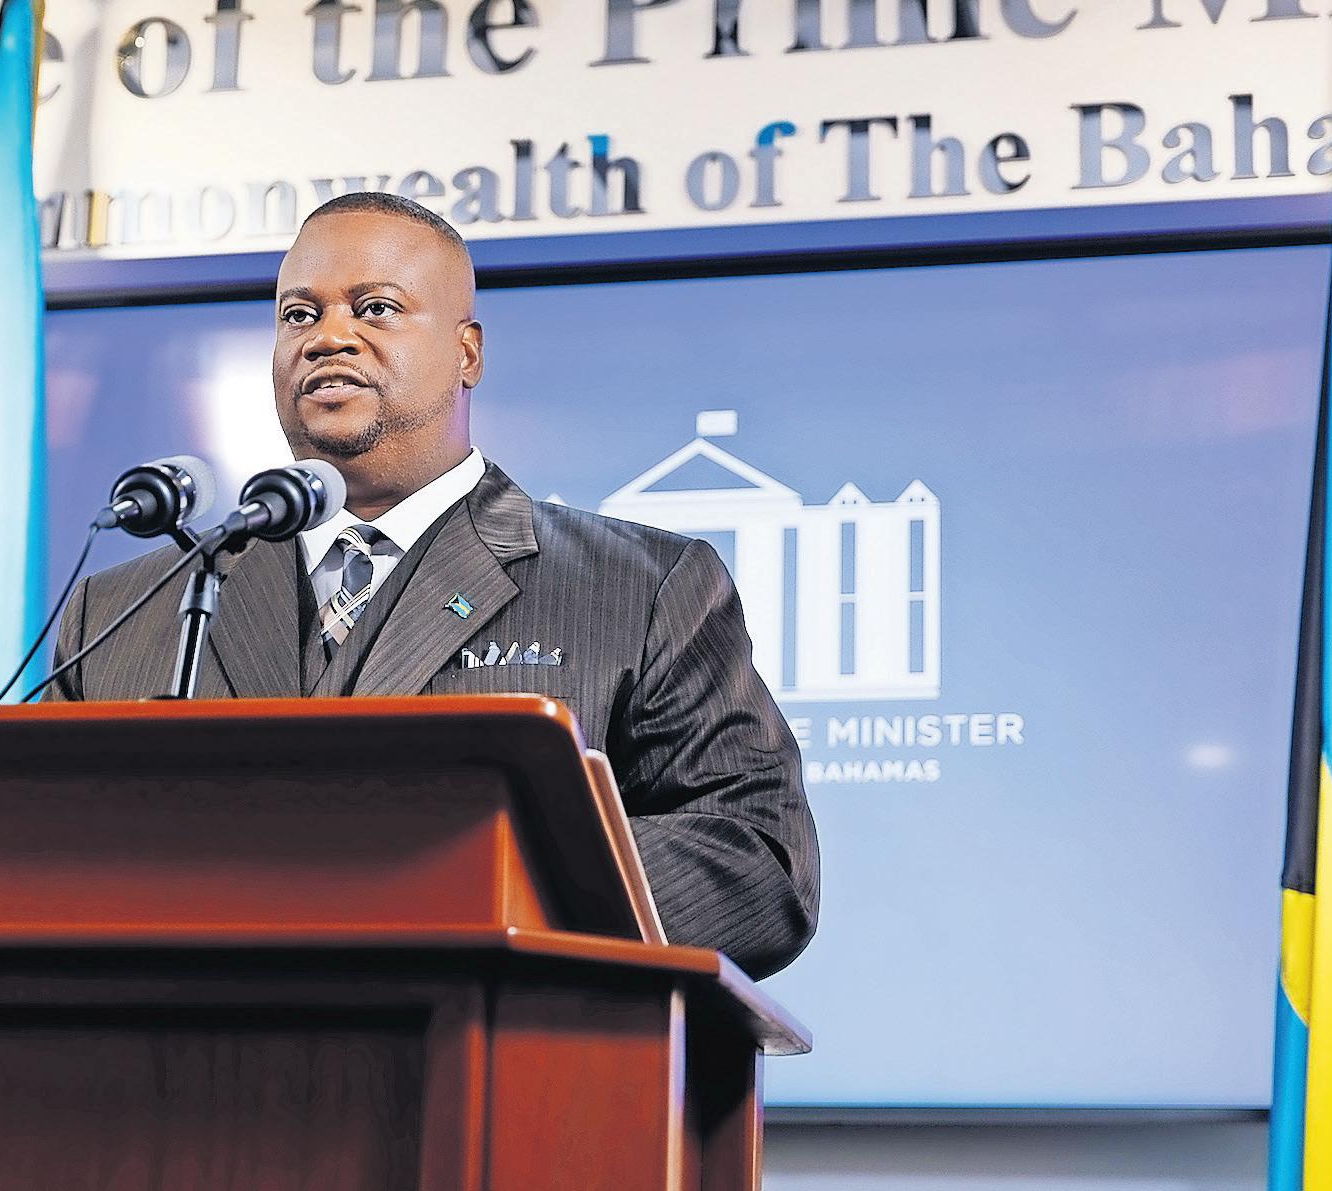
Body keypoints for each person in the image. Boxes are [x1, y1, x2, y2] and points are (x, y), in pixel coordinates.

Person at [46, 192, 818, 977]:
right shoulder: (122, 612)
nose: (328, 337)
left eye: (375, 308)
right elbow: (32, 861)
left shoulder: (641, 587)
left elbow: (759, 859)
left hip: (486, 1038)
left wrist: (474, 882)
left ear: (467, 353)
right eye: (298, 315)